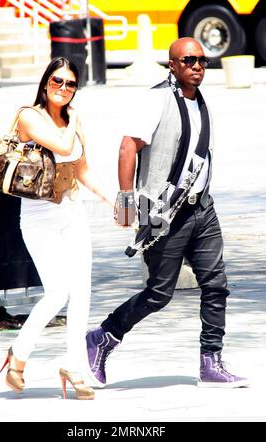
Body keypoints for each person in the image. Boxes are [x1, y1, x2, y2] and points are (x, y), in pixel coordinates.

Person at [86, 38, 249, 389]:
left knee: (216, 285)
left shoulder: (200, 101)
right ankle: (104, 335)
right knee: (159, 294)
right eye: (188, 60)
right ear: (172, 65)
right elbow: (128, 146)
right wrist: (127, 203)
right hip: (161, 211)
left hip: (202, 208)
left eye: (202, 60)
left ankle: (211, 361)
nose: (197, 66)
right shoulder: (155, 99)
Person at [0, 56, 112, 400]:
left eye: (70, 84)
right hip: (38, 217)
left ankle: (73, 365)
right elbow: (61, 147)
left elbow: (82, 170)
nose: (63, 88)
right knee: (57, 292)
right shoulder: (28, 116)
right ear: (46, 82)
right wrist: (74, 118)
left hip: (72, 211)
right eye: (58, 81)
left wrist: (116, 201)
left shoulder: (71, 122)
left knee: (82, 292)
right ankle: (18, 354)